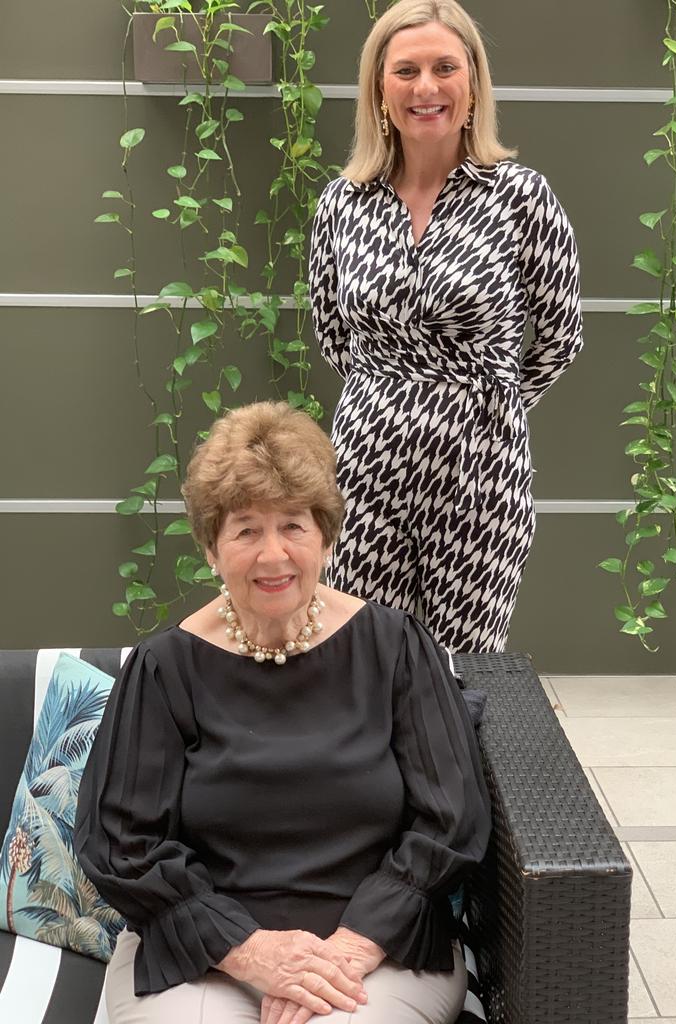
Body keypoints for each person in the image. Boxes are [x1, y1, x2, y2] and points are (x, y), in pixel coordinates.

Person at [74, 401, 490, 1024]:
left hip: (377, 949)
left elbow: (451, 819)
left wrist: (349, 948)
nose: (274, 556)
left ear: (325, 534)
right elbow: (122, 843)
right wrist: (248, 951)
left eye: (293, 525)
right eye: (246, 530)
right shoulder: (165, 668)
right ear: (211, 548)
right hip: (204, 953)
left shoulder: (394, 647)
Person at [309, 0, 584, 654]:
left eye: (444, 68)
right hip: (365, 470)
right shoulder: (342, 203)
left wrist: (485, 405)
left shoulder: (520, 197)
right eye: (405, 70)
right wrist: (395, 397)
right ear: (379, 86)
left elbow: (560, 335)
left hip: (480, 478)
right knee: (361, 660)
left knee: (460, 677)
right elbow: (331, 330)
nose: (425, 87)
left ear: (473, 84)